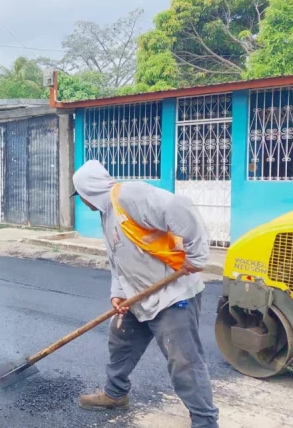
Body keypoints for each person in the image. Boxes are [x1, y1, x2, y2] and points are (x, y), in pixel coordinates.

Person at [72, 160, 219, 428]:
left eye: (80, 195)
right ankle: (115, 395)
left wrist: (197, 256)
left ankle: (205, 421)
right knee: (121, 341)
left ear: (88, 190)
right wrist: (117, 293)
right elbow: (118, 261)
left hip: (173, 295)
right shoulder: (107, 214)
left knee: (183, 361)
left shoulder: (129, 195)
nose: (81, 201)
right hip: (138, 296)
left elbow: (181, 207)